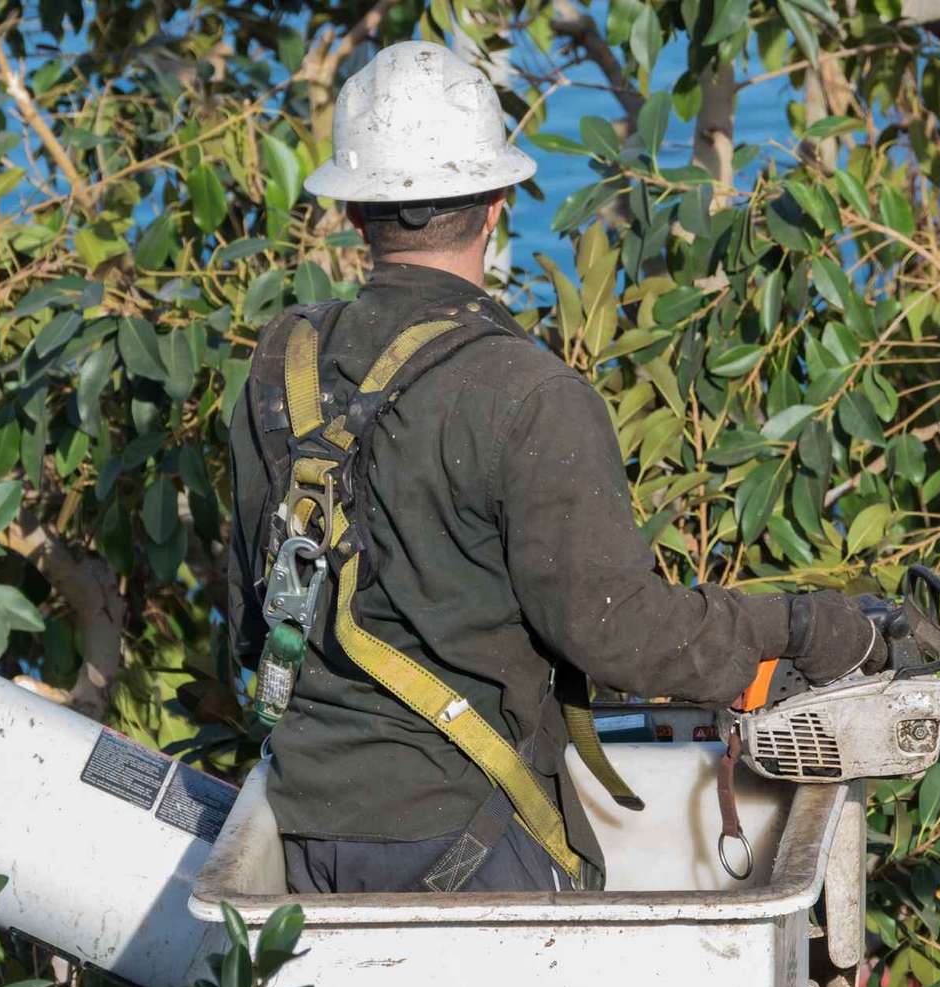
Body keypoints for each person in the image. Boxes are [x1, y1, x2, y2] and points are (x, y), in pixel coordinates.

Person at [227, 40, 881, 895]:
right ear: (498, 203)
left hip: (308, 829)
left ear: (355, 212)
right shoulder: (527, 392)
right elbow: (619, 633)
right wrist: (804, 629)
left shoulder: (284, 363)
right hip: (474, 829)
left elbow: (251, 622)